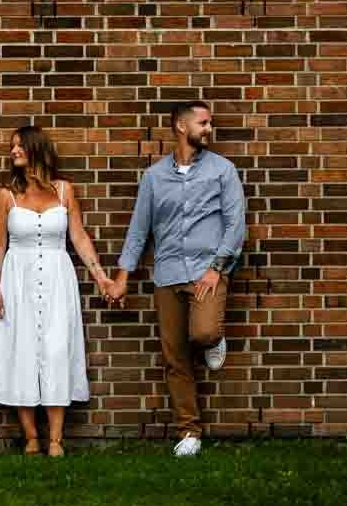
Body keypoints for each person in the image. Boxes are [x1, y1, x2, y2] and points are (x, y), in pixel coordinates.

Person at [103, 100, 247, 456]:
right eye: (203, 123)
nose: (209, 129)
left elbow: (235, 225)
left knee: (203, 332)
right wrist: (122, 278)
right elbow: (139, 231)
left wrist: (216, 268)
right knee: (175, 358)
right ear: (182, 127)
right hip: (167, 274)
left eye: (210, 123)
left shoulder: (222, 170)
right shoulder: (154, 178)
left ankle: (213, 339)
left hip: (207, 272)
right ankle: (189, 432)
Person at [0, 124, 112, 456]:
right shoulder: (6, 195)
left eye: (20, 146)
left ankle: (55, 439)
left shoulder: (65, 191)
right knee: (20, 351)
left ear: (36, 149)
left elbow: (78, 237)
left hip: (57, 280)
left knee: (57, 350)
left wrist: (101, 277)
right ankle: (31, 437)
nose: (14, 151)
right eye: (12, 146)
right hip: (18, 280)